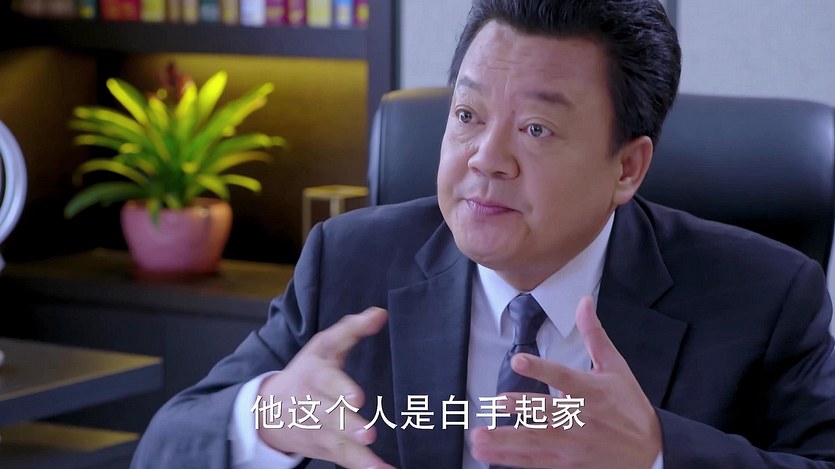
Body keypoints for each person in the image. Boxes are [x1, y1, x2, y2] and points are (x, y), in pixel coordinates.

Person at [131, 0, 835, 467]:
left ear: (626, 167)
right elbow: (166, 445)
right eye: (467, 116)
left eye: (536, 128)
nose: (486, 159)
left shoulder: (763, 296)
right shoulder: (350, 263)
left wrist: (655, 453)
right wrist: (264, 416)